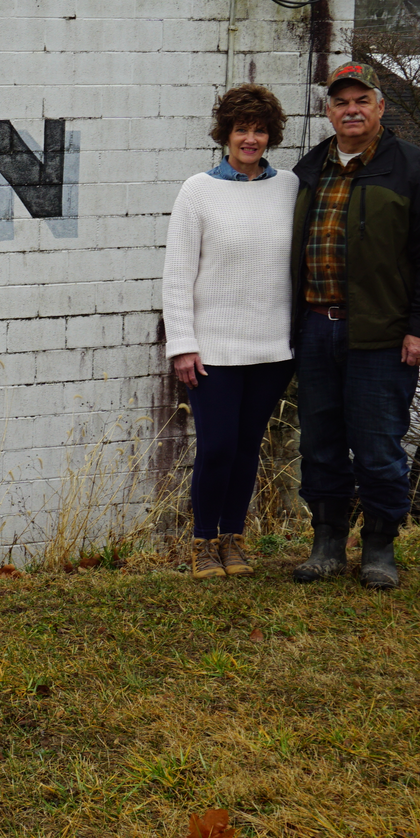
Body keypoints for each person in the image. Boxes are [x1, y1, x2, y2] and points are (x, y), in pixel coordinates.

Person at [288, 62, 420, 590]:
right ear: (328, 111)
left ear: (380, 108)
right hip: (316, 327)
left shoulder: (413, 169)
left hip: (381, 335)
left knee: (379, 444)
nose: (351, 110)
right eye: (341, 102)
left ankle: (380, 547)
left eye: (362, 100)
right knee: (319, 443)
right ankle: (327, 543)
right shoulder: (310, 167)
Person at [163, 84, 299, 580]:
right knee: (217, 446)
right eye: (242, 129)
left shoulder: (288, 187)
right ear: (226, 134)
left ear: (270, 136)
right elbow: (177, 273)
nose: (251, 138)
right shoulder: (198, 190)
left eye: (259, 129)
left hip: (272, 348)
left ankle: (233, 539)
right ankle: (202, 542)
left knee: (247, 446)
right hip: (214, 349)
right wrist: (183, 344)